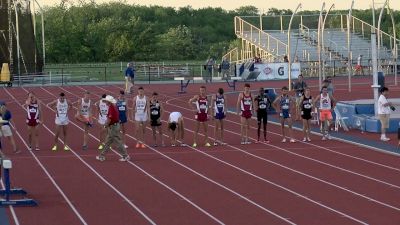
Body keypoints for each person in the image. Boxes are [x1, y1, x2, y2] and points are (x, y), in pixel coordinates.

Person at [96, 95, 130, 162]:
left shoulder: (111, 108)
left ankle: (125, 156)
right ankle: (102, 156)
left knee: (118, 142)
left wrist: (105, 126)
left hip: (113, 127)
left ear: (109, 101)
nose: (105, 102)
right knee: (108, 142)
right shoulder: (113, 107)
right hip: (113, 126)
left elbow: (109, 119)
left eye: (106, 101)